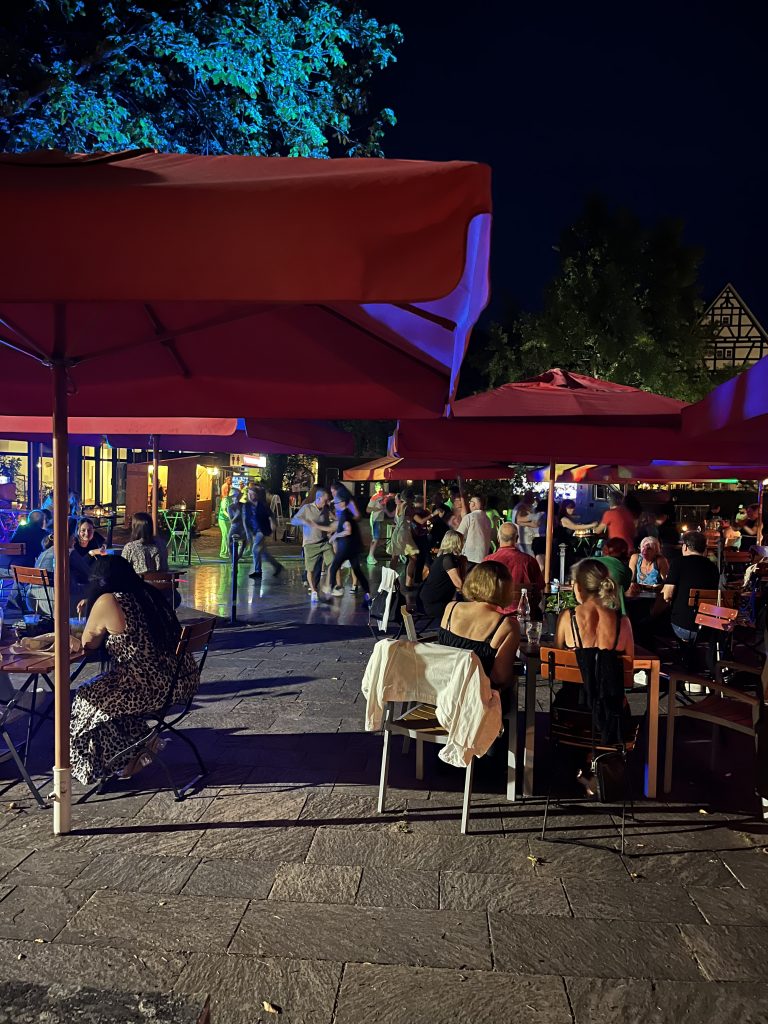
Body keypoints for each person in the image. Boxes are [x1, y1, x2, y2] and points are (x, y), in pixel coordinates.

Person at [70, 555, 199, 784]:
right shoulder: (149, 594)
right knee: (104, 693)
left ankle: (112, 760)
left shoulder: (109, 601)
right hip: (179, 680)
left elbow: (88, 643)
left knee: (86, 697)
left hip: (147, 688)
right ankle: (136, 746)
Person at [555, 559, 635, 789]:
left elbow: (558, 659)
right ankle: (596, 762)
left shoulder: (568, 618)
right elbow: (629, 671)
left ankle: (576, 766)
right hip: (612, 713)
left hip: (573, 711)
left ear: (578, 587)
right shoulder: (623, 622)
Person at [438, 561, 520, 689]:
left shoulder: (451, 608)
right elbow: (499, 677)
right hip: (478, 696)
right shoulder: (507, 625)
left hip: (444, 688)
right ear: (506, 588)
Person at [662, 530, 721, 642]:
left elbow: (667, 595)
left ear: (685, 547)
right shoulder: (713, 567)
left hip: (682, 627)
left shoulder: (678, 563)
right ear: (704, 549)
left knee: (648, 623)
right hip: (707, 627)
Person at [483, 521, 544, 615]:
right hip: (523, 613)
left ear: (498, 538)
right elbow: (539, 588)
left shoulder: (487, 561)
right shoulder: (529, 561)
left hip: (494, 614)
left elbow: (482, 590)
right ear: (517, 538)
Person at [292, 487, 335, 602]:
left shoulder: (325, 509)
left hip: (324, 542)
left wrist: (331, 529)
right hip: (310, 543)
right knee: (310, 569)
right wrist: (303, 521)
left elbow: (329, 522)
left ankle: (328, 585)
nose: (327, 502)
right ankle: (313, 590)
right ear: (318, 498)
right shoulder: (307, 508)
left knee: (334, 562)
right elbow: (293, 520)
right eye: (325, 500)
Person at [326, 492, 370, 603]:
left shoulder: (345, 514)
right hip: (351, 547)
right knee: (356, 570)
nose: (335, 505)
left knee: (335, 567)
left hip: (347, 547)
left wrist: (335, 535)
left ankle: (330, 593)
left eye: (336, 503)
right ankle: (367, 594)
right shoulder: (346, 513)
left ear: (342, 503)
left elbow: (348, 530)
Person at [417, 529, 467, 620]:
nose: (463, 544)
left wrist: (462, 564)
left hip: (432, 599)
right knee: (465, 613)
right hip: (433, 603)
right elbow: (459, 584)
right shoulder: (448, 559)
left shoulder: (444, 557)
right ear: (457, 543)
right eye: (462, 541)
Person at [244, 485, 282, 580]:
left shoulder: (262, 505)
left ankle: (258, 571)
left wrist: (273, 524)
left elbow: (271, 515)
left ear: (256, 495)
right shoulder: (247, 506)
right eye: (249, 494)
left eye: (252, 494)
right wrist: (248, 532)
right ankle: (277, 566)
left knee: (255, 550)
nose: (250, 496)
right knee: (263, 553)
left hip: (261, 530)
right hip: (254, 531)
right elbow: (245, 519)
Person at [594, 537, 634, 615]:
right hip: (616, 611)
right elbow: (625, 588)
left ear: (606, 549)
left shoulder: (592, 562)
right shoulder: (626, 571)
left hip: (592, 605)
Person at [69, 518, 106, 592]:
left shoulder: (95, 538)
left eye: (89, 530)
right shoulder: (74, 544)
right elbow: (80, 565)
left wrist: (103, 547)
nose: (87, 533)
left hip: (94, 575)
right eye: (83, 530)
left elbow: (104, 545)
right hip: (81, 581)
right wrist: (91, 553)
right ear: (78, 531)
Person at [457, 495, 492, 567]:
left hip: (470, 558)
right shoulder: (488, 519)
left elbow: (458, 535)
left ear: (473, 504)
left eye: (470, 502)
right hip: (484, 557)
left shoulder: (469, 517)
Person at [366, 485, 389, 565]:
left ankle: (371, 555)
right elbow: (368, 510)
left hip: (379, 519)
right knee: (375, 538)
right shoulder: (374, 497)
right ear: (376, 489)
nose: (381, 489)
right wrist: (376, 509)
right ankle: (370, 556)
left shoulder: (383, 496)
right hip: (375, 519)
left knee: (376, 538)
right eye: (379, 488)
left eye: (382, 487)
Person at [511, 491, 538, 556]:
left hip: (526, 539)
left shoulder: (527, 506)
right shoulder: (522, 507)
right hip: (524, 540)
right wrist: (531, 524)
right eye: (532, 497)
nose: (533, 499)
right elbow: (518, 520)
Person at [227, 487, 247, 559]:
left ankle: (240, 555)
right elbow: (232, 521)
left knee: (245, 539)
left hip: (243, 526)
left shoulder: (243, 505)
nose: (235, 498)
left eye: (237, 497)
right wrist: (237, 514)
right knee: (229, 540)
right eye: (234, 497)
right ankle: (233, 556)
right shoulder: (230, 507)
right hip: (235, 527)